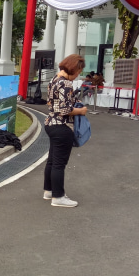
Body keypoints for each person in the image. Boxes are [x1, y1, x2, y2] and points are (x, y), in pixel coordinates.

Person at [43, 54, 88, 208]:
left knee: (52, 160)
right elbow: (66, 109)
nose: (78, 75)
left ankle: (49, 190)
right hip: (62, 126)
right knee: (59, 163)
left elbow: (54, 104)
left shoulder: (54, 79)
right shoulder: (66, 84)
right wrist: (81, 111)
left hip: (51, 123)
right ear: (74, 68)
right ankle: (58, 196)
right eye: (79, 71)